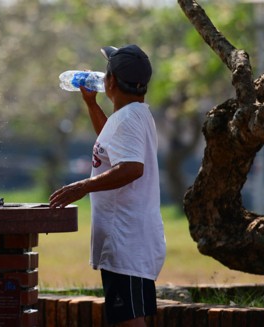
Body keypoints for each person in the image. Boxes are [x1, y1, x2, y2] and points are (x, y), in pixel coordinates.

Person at [49, 44, 166, 327]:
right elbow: (113, 144)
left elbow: (132, 168)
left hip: (128, 241)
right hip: (126, 241)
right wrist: (91, 104)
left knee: (129, 322)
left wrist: (83, 187)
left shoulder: (128, 119)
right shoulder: (131, 115)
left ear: (111, 81)